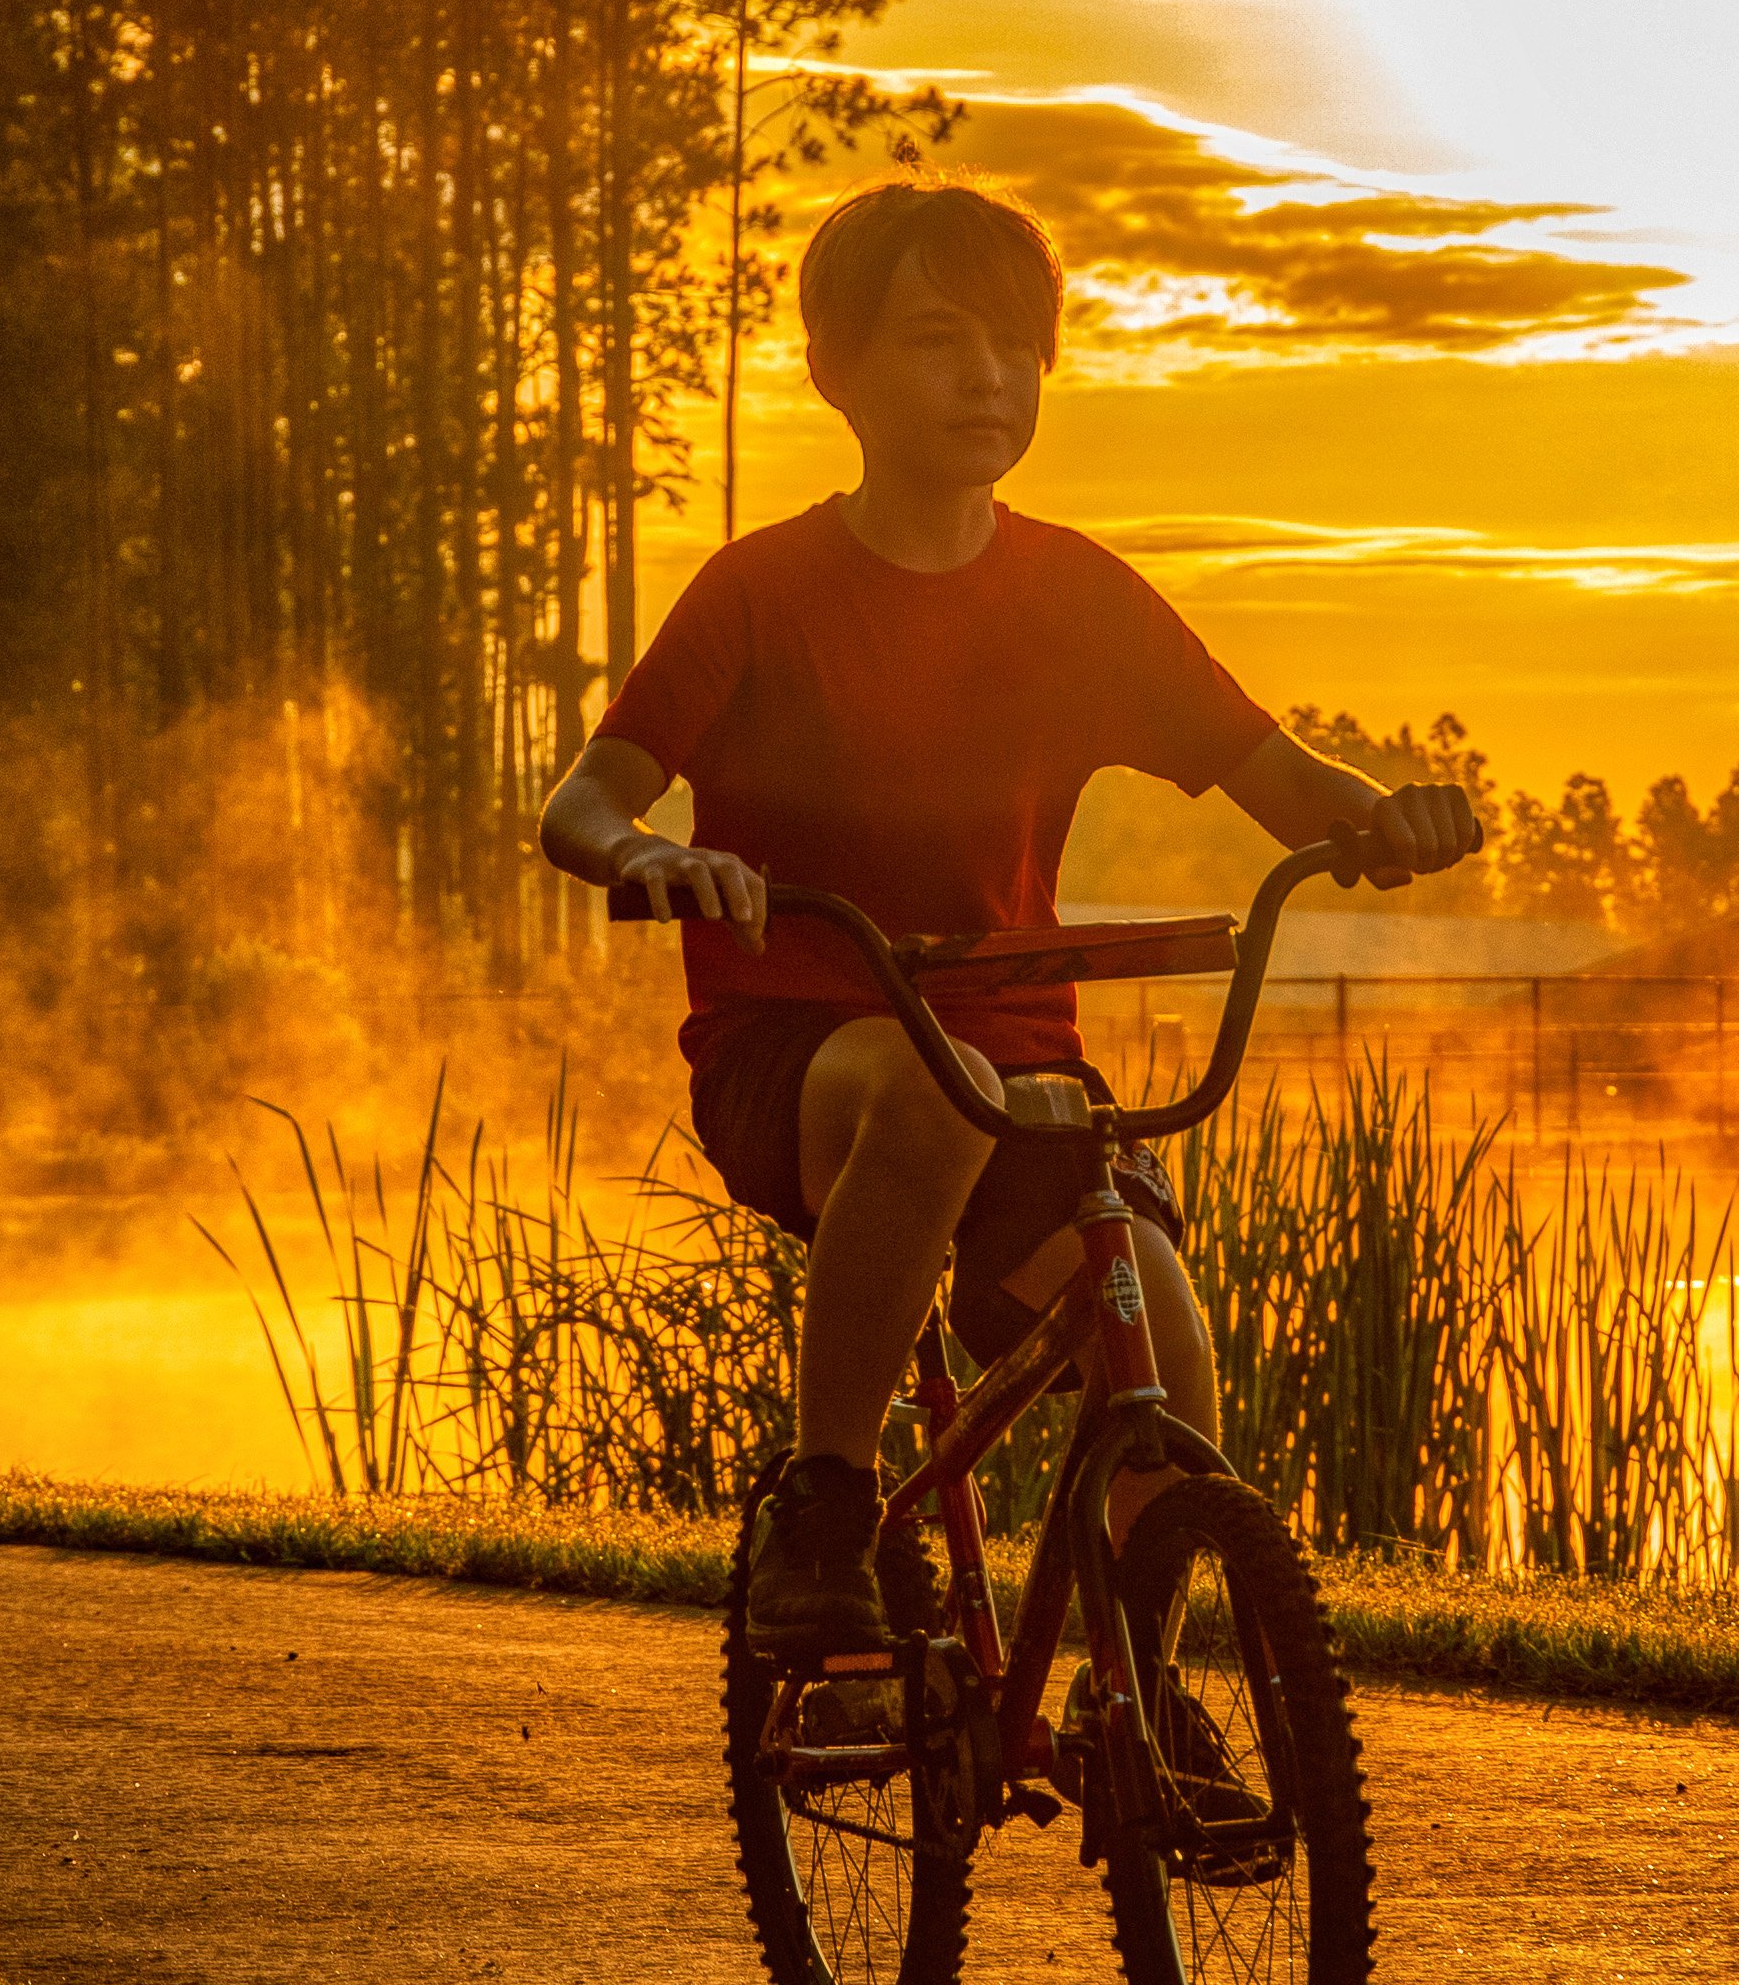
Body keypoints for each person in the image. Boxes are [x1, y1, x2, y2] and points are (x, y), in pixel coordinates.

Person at [537, 180, 1476, 1664]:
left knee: (1154, 1337)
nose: (988, 376)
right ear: (836, 371)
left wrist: (1387, 817)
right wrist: (642, 851)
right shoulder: (763, 592)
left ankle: (1141, 1695)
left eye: (1018, 346)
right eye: (937, 339)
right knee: (929, 1100)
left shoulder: (1077, 598)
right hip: (805, 1058)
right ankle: (827, 1514)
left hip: (1018, 1064)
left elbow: (1287, 782)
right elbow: (583, 798)